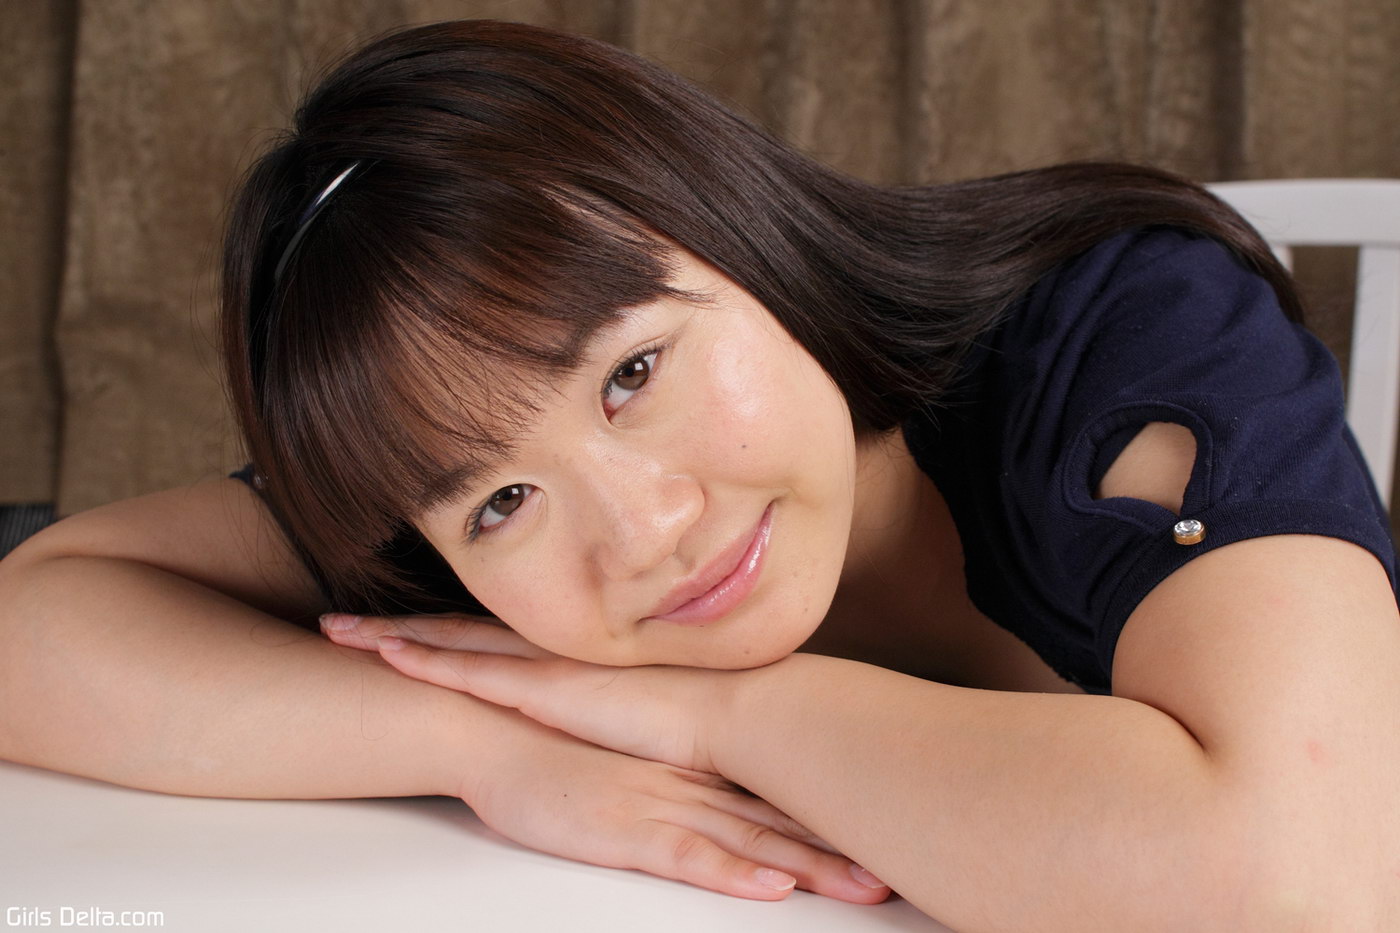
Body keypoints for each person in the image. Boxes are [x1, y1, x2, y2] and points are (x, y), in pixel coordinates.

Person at [3, 17, 1398, 931]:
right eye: (500, 502)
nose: (646, 530)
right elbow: (31, 625)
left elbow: (1303, 879)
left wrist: (719, 713)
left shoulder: (1127, 333)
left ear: (740, 229)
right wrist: (483, 746)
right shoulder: (463, 551)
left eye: (632, 371)